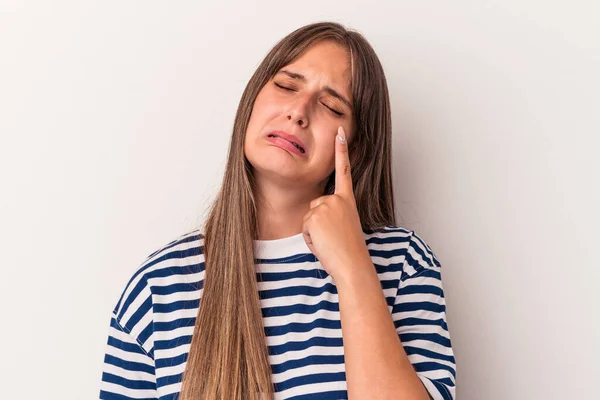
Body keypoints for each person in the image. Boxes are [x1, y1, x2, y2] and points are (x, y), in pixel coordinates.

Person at [99, 21, 456, 400]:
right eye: (286, 85)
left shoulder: (402, 264)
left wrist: (353, 269)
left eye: (331, 105)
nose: (299, 112)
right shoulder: (157, 289)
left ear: (356, 146)